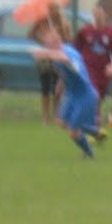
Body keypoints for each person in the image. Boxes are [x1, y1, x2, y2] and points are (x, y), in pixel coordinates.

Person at [29, 15, 103, 159]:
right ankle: (95, 132)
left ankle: (89, 153)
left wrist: (45, 54)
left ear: (56, 40)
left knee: (73, 131)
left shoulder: (68, 52)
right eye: (44, 41)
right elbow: (67, 71)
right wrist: (60, 85)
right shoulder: (55, 55)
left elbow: (66, 60)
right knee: (61, 122)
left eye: (47, 40)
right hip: (73, 95)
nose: (44, 43)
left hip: (85, 96)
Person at [74, 1, 112, 127]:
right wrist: (76, 66)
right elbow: (75, 51)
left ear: (105, 15)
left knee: (99, 98)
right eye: (95, 13)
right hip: (88, 69)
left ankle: (92, 121)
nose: (97, 16)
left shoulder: (111, 32)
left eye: (100, 13)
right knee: (93, 95)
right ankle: (95, 123)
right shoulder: (85, 31)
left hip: (104, 72)